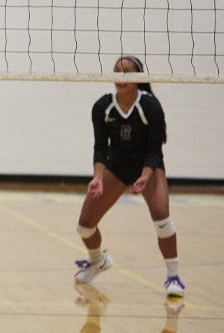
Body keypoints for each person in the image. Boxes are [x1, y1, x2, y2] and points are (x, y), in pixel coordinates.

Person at [72, 55, 184, 298]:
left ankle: (173, 276)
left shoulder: (150, 106)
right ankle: (98, 260)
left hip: (147, 166)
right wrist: (98, 177)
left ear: (137, 77)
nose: (121, 77)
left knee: (162, 219)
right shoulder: (103, 106)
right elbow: (100, 147)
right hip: (117, 167)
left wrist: (145, 176)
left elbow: (155, 150)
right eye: (117, 72)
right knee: (84, 226)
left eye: (127, 72)